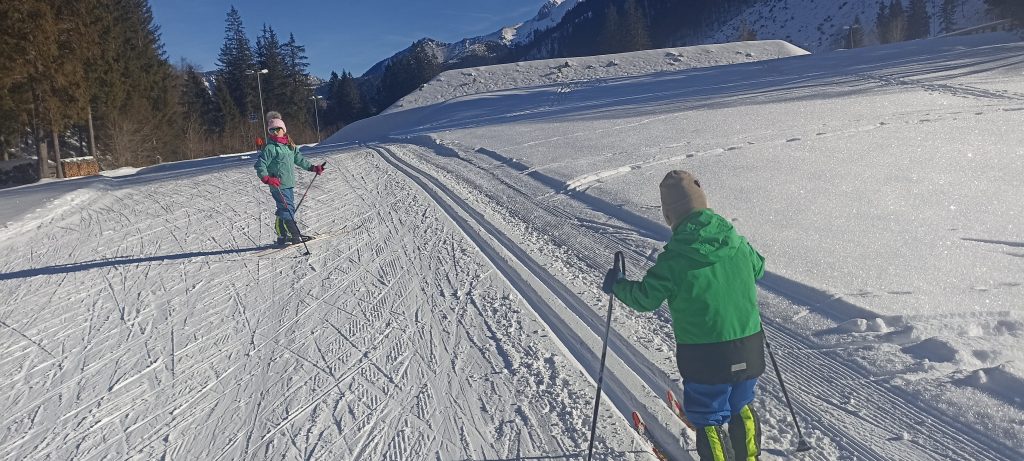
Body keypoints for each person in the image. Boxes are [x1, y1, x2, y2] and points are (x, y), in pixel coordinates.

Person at [603, 170, 765, 461]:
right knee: (741, 405)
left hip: (706, 356)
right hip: (749, 346)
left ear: (669, 215)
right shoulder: (736, 242)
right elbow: (759, 268)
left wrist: (618, 285)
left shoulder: (675, 259)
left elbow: (645, 299)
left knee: (709, 416)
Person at [254, 111, 325, 245]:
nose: (275, 132)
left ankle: (282, 235)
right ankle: (295, 235)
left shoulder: (289, 146)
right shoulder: (270, 148)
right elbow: (260, 165)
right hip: (277, 185)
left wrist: (313, 168)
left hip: (288, 183)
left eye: (277, 129)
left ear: (283, 130)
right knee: (287, 209)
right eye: (272, 130)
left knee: (284, 208)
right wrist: (267, 178)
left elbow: (299, 160)